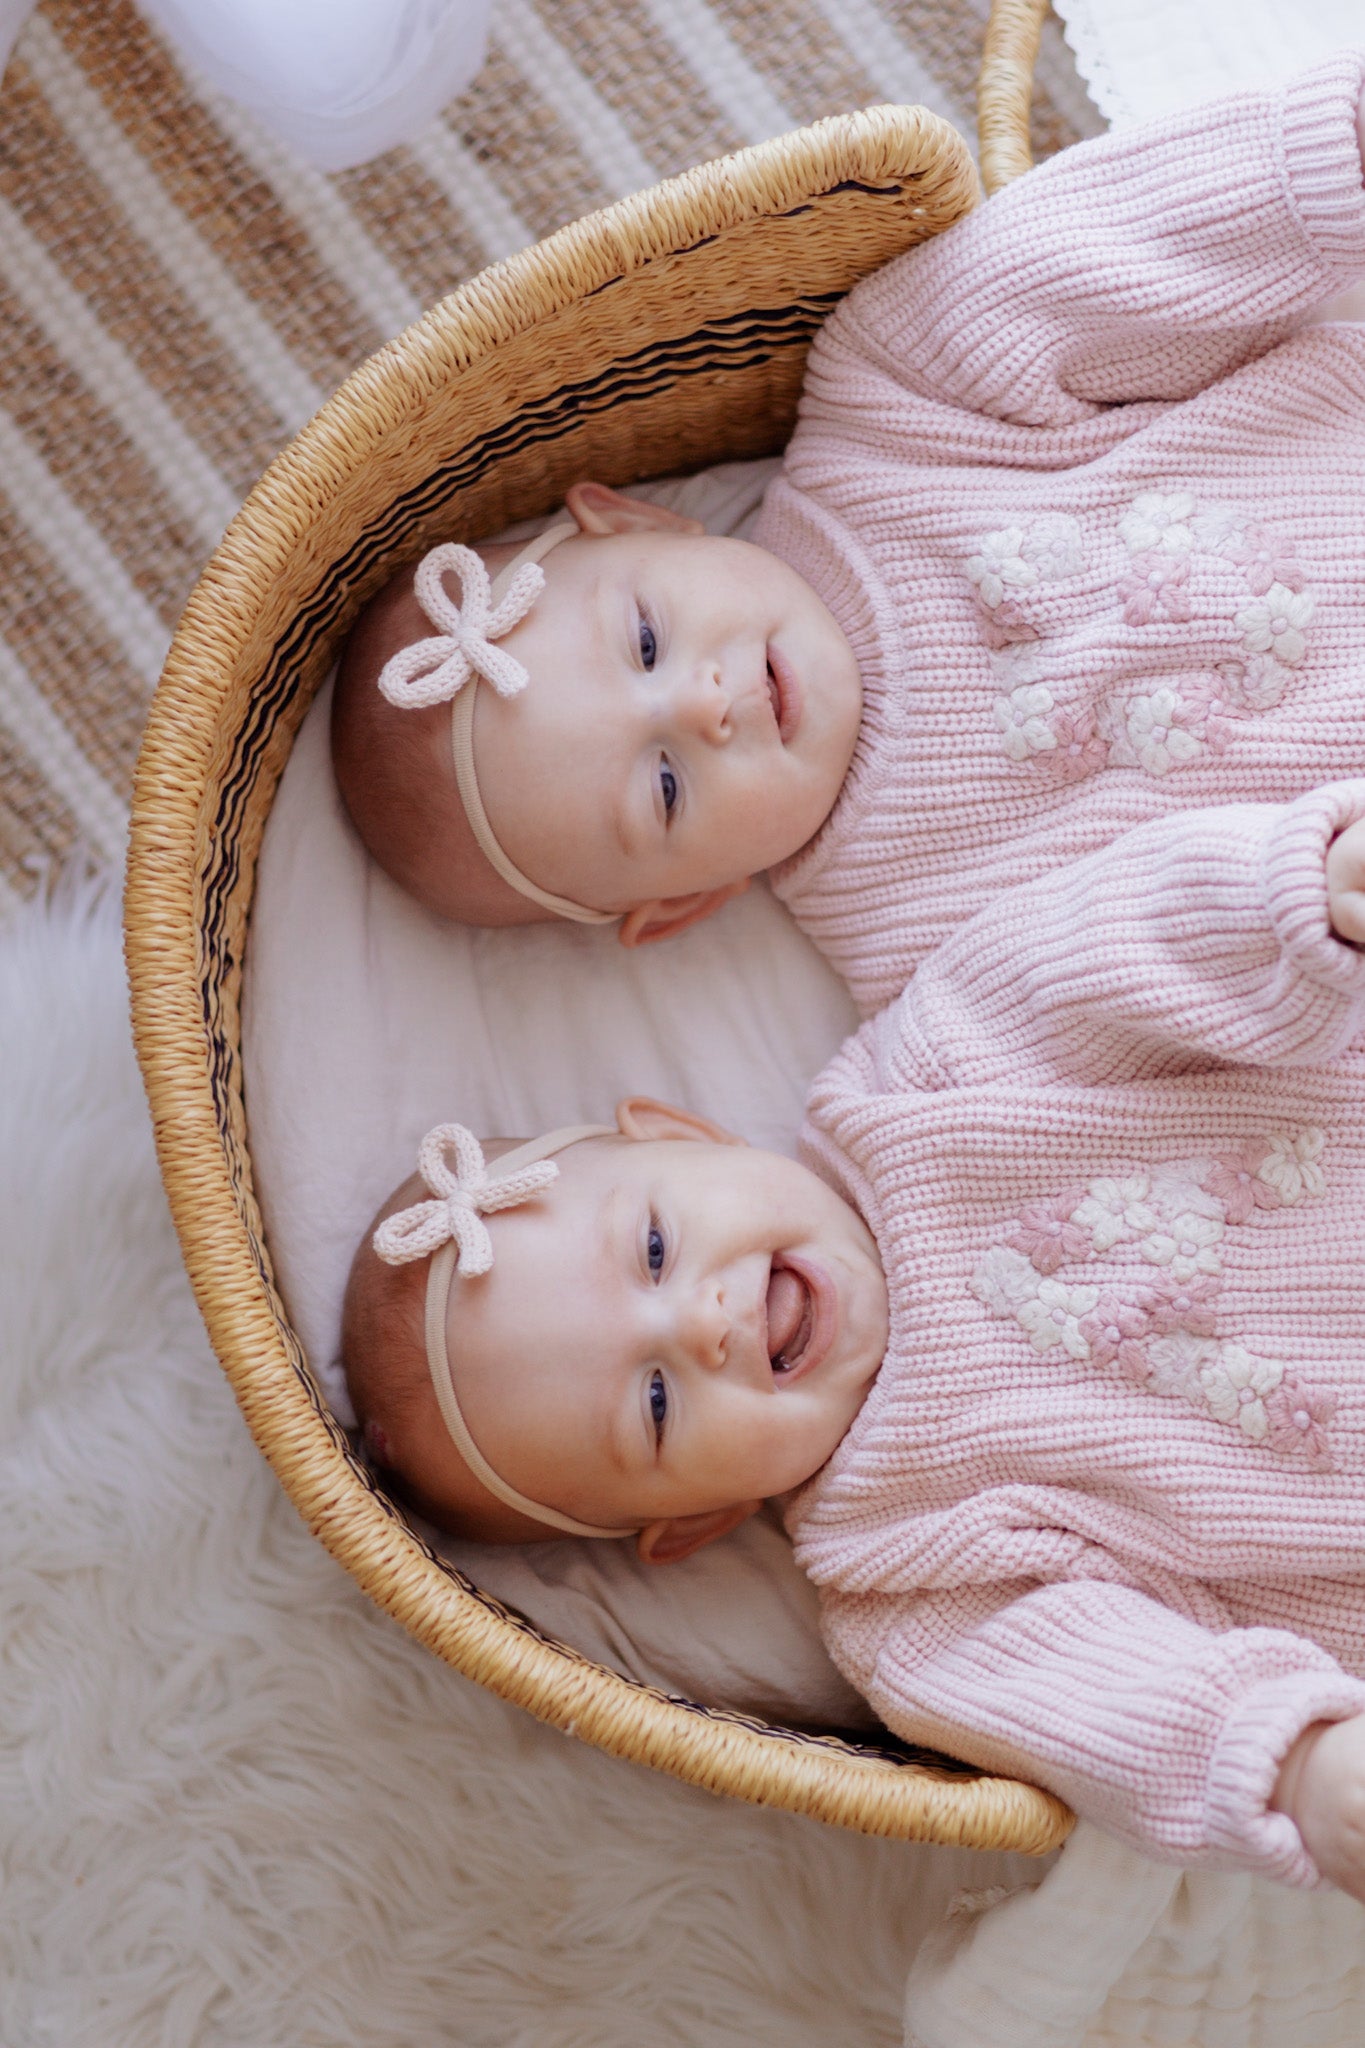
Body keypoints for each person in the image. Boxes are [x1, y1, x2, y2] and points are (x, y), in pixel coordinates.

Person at [343, 780, 1365, 1897]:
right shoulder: (906, 1588)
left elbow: (1114, 946)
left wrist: (1288, 901)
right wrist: (1296, 1766)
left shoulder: (932, 1075)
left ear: (689, 1134)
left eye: (653, 1248)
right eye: (655, 1402)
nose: (701, 1322)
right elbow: (1115, 1696)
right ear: (701, 1519)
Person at [333, 55, 1365, 1000]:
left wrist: (1316, 167)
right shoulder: (914, 946)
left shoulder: (889, 412)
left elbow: (1089, 263)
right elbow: (1113, 1002)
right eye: (665, 786)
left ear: (638, 520)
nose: (703, 703)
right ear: (689, 901)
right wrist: (1297, 909)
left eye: (645, 641)